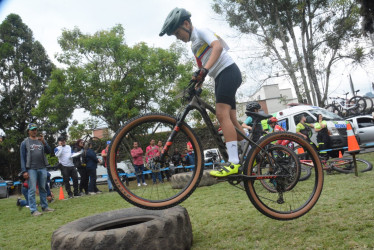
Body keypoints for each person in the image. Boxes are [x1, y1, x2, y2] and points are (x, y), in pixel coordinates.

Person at [160, 8, 246, 178]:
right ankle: (252, 152)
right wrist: (196, 82)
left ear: (186, 24)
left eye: (178, 33)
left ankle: (234, 163)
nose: (178, 38)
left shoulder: (201, 31)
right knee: (232, 119)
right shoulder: (194, 46)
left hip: (228, 71)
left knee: (222, 115)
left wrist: (205, 70)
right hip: (220, 76)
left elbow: (218, 47)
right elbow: (202, 69)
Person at [20, 123, 54, 216]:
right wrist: (24, 171)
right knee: (32, 189)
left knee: (43, 188)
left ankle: (45, 207)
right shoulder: (25, 142)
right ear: (28, 131)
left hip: (42, 167)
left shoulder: (40, 140)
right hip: (31, 168)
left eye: (35, 129)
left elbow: (49, 151)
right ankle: (33, 210)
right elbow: (22, 157)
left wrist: (44, 142)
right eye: (32, 130)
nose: (34, 131)